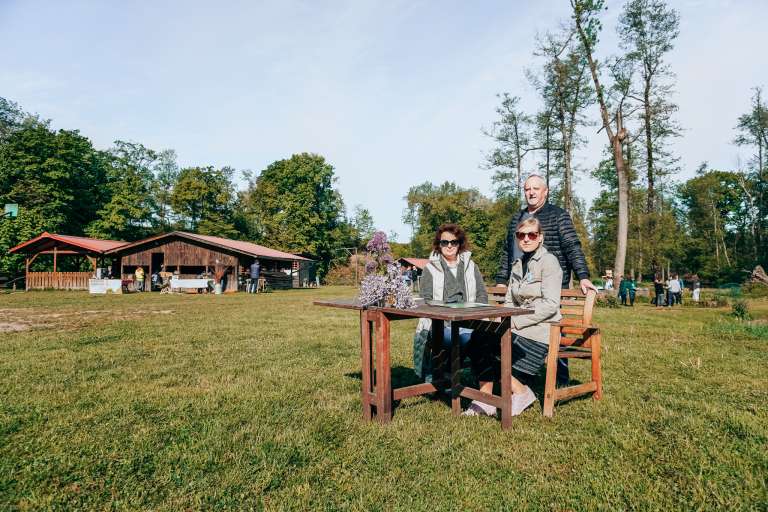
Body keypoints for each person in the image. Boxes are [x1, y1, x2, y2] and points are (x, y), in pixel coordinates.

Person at [495, 174, 595, 386]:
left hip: (549, 278)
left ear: (545, 191)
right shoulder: (517, 218)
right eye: (527, 189)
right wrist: (502, 280)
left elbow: (571, 245)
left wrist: (583, 276)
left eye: (536, 189)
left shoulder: (558, 215)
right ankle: (517, 372)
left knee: (550, 322)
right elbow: (507, 251)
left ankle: (559, 379)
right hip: (520, 280)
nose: (531, 192)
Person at [464, 217, 563, 417]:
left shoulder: (549, 262)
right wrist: (501, 319)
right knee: (479, 336)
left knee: (489, 342)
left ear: (540, 238)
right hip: (517, 325)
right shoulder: (517, 264)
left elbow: (551, 305)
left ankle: (520, 391)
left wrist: (515, 322)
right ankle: (487, 399)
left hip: (542, 330)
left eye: (531, 235)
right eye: (521, 235)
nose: (526, 239)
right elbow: (510, 301)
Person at [412, 224, 488, 382]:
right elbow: (425, 300)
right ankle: (445, 374)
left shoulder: (471, 266)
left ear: (459, 244)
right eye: (444, 242)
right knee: (471, 340)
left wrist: (473, 315)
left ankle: (454, 374)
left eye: (453, 242)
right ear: (438, 244)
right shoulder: (430, 269)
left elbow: (482, 295)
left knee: (484, 337)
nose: (449, 245)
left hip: (470, 322)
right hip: (440, 325)